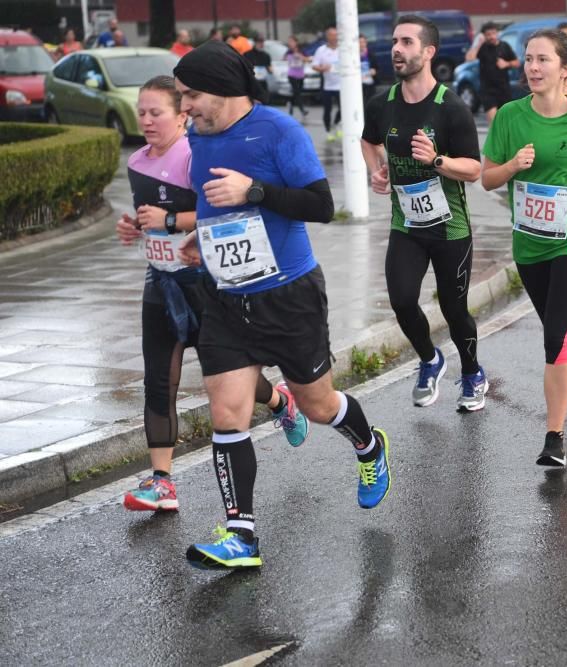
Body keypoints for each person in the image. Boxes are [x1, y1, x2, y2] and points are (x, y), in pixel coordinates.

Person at [172, 41, 392, 569]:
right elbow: (207, 198)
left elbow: (321, 205)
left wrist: (255, 192)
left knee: (318, 406)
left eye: (191, 95)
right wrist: (203, 238)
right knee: (226, 411)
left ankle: (369, 446)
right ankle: (241, 535)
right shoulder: (197, 137)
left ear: (225, 91)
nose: (185, 107)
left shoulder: (279, 131)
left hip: (288, 295)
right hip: (225, 295)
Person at [114, 75, 308, 513]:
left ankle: (280, 401)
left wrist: (169, 222)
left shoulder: (193, 155)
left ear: (181, 114)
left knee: (228, 378)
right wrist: (133, 225)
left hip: (205, 284)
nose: (146, 120)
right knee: (158, 381)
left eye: (156, 112)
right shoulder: (138, 162)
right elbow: (150, 216)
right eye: (141, 112)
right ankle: (162, 482)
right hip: (159, 281)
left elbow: (216, 210)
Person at [482, 29, 567, 465]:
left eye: (543, 60)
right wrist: (512, 166)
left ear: (566, 69)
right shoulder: (508, 116)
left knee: (552, 335)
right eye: (528, 59)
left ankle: (553, 437)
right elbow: (487, 178)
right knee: (561, 331)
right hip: (529, 244)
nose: (533, 68)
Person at [361, 15, 488, 412]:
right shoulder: (382, 103)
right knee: (401, 300)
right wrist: (376, 169)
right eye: (395, 42)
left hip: (450, 228)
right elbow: (368, 141)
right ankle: (430, 359)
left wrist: (436, 161)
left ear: (428, 52)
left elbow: (474, 169)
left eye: (407, 42)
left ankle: (472, 373)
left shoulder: (451, 108)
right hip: (407, 224)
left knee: (454, 309)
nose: (396, 49)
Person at [465, 21, 519, 124]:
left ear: (498, 33)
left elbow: (516, 63)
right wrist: (479, 43)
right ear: (484, 36)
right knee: (493, 123)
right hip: (488, 90)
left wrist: (506, 64)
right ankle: (495, 138)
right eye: (488, 35)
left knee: (506, 121)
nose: (492, 36)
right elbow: (469, 58)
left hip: (504, 89)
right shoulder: (483, 47)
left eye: (494, 33)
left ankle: (505, 140)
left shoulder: (504, 46)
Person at [311, 26, 342, 141]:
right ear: (327, 37)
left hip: (341, 85)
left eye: (336, 35)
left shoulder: (342, 49)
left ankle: (336, 124)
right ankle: (328, 131)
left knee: (343, 109)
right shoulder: (321, 50)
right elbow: (314, 65)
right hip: (327, 85)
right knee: (327, 110)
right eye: (331, 35)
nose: (334, 38)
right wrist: (322, 68)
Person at [285, 36, 310, 118]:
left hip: (300, 75)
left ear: (296, 42)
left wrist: (301, 57)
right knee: (297, 92)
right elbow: (283, 59)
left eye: (292, 42)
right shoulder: (288, 52)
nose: (290, 43)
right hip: (291, 75)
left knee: (296, 93)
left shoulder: (301, 51)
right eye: (289, 42)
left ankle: (291, 105)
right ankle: (303, 110)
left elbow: (308, 59)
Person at [245, 34, 273, 101]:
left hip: (263, 83)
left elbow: (269, 69)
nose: (261, 44)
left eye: (262, 42)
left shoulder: (266, 55)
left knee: (264, 101)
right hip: (252, 83)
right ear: (255, 42)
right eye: (259, 42)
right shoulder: (247, 55)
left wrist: (271, 70)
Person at [359, 34, 377, 103]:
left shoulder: (371, 54)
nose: (362, 44)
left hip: (370, 84)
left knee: (371, 103)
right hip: (359, 85)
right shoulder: (353, 56)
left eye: (363, 42)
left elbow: (377, 68)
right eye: (359, 42)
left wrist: (374, 71)